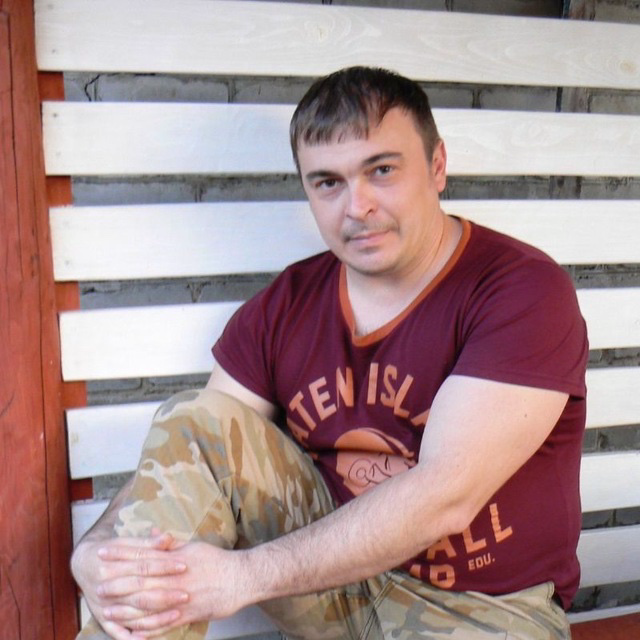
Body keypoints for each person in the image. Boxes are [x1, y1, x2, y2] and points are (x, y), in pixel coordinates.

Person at [71, 66, 588, 640]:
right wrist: (93, 550)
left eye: (382, 170)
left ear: (437, 165)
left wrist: (240, 577)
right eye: (327, 183)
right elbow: (191, 452)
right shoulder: (285, 306)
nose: (356, 206)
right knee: (199, 419)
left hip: (481, 612)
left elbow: (446, 496)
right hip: (330, 591)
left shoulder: (520, 290)